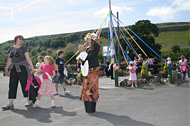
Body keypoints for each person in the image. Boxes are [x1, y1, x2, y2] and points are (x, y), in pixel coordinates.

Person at [2, 35, 34, 110]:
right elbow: (9, 59)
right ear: (16, 39)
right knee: (12, 85)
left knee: (24, 84)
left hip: (22, 67)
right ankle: (10, 103)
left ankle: (29, 100)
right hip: (13, 68)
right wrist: (6, 68)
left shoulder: (23, 48)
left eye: (22, 39)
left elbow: (28, 58)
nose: (21, 40)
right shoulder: (11, 48)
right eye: (19, 39)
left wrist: (31, 66)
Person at [80, 32, 100, 113]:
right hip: (87, 69)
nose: (86, 40)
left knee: (92, 85)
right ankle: (87, 99)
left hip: (93, 69)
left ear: (92, 39)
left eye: (88, 39)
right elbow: (84, 58)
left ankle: (91, 100)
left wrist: (83, 55)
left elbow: (91, 56)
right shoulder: (88, 48)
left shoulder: (96, 46)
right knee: (86, 85)